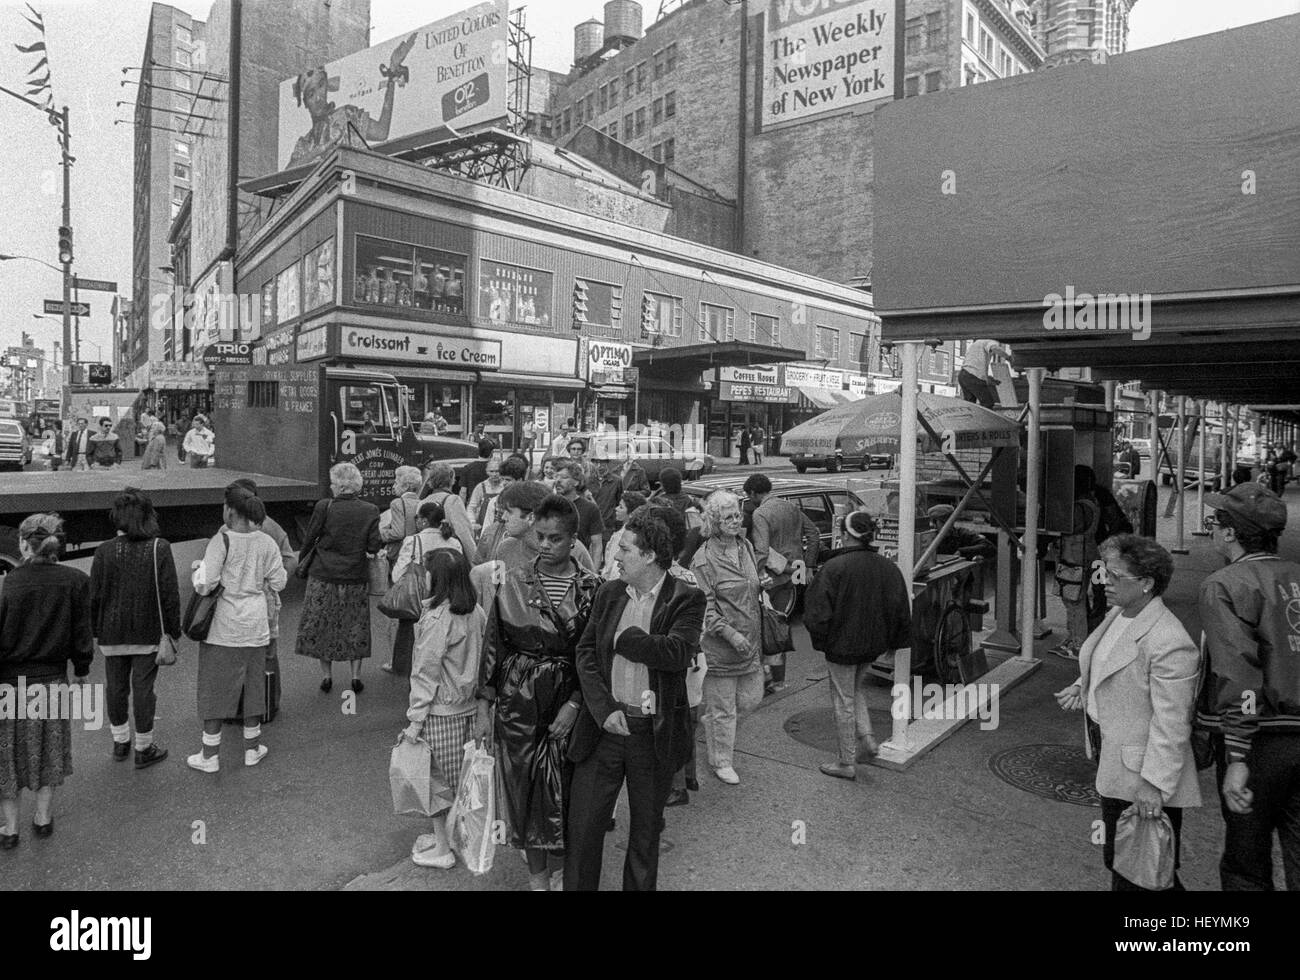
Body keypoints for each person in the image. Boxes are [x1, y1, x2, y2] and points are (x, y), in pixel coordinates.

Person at [565, 508, 705, 891]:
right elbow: (587, 653)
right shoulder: (609, 593)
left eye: (624, 550)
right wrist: (603, 709)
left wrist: (626, 640)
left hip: (652, 734)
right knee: (583, 830)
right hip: (605, 728)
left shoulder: (687, 599)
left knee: (645, 835)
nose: (616, 557)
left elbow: (677, 652)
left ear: (649, 556)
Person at [1055, 534, 1200, 890]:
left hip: (1142, 775)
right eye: (1105, 572)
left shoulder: (1169, 640)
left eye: (1116, 576)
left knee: (1140, 868)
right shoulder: (1121, 613)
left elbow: (1173, 722)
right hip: (1115, 761)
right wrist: (1082, 685)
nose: (1105, 581)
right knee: (1131, 863)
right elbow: (1105, 659)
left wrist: (1154, 784)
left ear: (1147, 583)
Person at [476, 494, 604, 891]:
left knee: (569, 794)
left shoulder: (594, 588)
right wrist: (484, 704)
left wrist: (576, 703)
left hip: (569, 693)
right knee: (525, 790)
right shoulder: (513, 581)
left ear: (573, 540)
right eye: (541, 536)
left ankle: (567, 874)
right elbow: (493, 644)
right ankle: (538, 882)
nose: (546, 545)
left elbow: (597, 654)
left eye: (555, 539)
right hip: (519, 701)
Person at [1196, 483, 1300, 890]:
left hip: (1260, 742)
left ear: (1230, 532)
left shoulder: (1224, 584)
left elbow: (1237, 671)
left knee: (1247, 863)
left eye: (1215, 523)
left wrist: (1237, 755)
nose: (1213, 531)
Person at [0, 514, 92, 847]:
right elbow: (83, 634)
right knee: (49, 750)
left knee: (7, 756)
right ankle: (42, 819)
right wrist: (82, 669)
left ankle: (10, 829)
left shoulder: (8, 583)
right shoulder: (76, 581)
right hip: (53, 681)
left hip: (10, 685)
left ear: (24, 544)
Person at [186, 486, 287, 773]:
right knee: (253, 687)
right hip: (255, 625)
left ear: (230, 510)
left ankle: (209, 755)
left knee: (215, 690)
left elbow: (204, 583)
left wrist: (198, 570)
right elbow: (279, 581)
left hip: (224, 627)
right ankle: (252, 750)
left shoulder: (221, 541)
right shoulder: (266, 542)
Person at [804, 511, 911, 779]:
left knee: (843, 700)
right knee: (854, 690)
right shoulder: (887, 567)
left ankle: (846, 762)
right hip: (872, 645)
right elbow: (900, 609)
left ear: (844, 535)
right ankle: (869, 740)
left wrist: (823, 642)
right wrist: (894, 642)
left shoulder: (834, 567)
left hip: (841, 646)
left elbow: (816, 614)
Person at [402, 550, 487, 870]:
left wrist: (414, 721)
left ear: (435, 579)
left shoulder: (438, 618)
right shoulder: (475, 611)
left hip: (440, 712)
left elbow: (425, 673)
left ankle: (442, 848)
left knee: (434, 782)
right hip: (468, 710)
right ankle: (453, 839)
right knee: (460, 781)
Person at [89, 490, 181, 769]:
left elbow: (94, 595)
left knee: (115, 688)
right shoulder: (159, 548)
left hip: (111, 633)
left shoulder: (104, 550)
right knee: (143, 690)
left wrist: (96, 630)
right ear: (148, 516)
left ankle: (120, 742)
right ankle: (144, 747)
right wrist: (173, 632)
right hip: (148, 632)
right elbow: (170, 594)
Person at [690, 490, 766, 789]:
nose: (736, 521)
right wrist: (731, 634)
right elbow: (704, 608)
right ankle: (721, 760)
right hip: (721, 647)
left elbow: (751, 584)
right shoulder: (704, 559)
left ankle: (709, 720)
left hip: (752, 642)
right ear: (713, 521)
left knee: (750, 698)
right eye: (728, 517)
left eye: (737, 515)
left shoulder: (744, 545)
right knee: (724, 709)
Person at [295, 462, 383, 694]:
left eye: (333, 483)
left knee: (323, 626)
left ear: (339, 485)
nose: (331, 487)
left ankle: (327, 677)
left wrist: (302, 563)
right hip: (355, 575)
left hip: (323, 574)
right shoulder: (370, 510)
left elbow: (309, 538)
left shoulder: (325, 506)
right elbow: (374, 546)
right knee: (356, 626)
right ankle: (355, 678)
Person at [286, 32, 417, 168]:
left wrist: (391, 75)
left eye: (320, 86)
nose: (318, 98)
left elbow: (381, 132)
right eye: (311, 94)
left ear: (327, 86)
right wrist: (319, 150)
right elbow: (285, 174)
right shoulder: (305, 143)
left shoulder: (346, 115)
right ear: (305, 102)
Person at [746, 473, 821, 690]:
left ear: (753, 492)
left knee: (767, 628)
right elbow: (814, 535)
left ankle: (769, 679)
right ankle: (778, 680)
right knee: (780, 626)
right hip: (792, 578)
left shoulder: (761, 513)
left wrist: (754, 576)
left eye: (749, 496)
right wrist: (808, 566)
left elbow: (761, 551)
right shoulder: (790, 507)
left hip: (771, 578)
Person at [382, 499, 462, 677]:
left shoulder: (413, 541)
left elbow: (397, 575)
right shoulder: (454, 542)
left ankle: (411, 677)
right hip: (447, 600)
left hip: (417, 603)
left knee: (412, 642)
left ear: (424, 521)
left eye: (417, 518)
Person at [471, 455, 528, 563]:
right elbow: (487, 530)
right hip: (497, 551)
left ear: (520, 480)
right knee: (498, 578)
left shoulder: (529, 502)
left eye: (508, 480)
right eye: (503, 479)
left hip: (522, 553)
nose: (504, 483)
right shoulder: (496, 502)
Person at [419, 462, 479, 557]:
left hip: (427, 554)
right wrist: (474, 560)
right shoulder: (453, 500)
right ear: (451, 479)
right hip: (448, 554)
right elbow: (464, 533)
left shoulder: (422, 502)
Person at [554, 460, 605, 569]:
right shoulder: (548, 506)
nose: (558, 480)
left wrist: (594, 574)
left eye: (564, 477)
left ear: (576, 482)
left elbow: (597, 545)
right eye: (556, 476)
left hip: (578, 568)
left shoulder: (590, 509)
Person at [379, 466, 423, 566]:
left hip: (399, 553)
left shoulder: (397, 503)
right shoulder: (421, 503)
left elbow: (398, 533)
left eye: (396, 483)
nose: (393, 486)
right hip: (416, 552)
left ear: (406, 486)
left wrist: (378, 533)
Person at [601, 491, 648, 581]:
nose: (616, 509)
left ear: (631, 514)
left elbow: (614, 567)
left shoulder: (625, 538)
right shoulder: (619, 533)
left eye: (621, 507)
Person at [925, 504, 995, 561]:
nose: (949, 526)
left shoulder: (960, 534)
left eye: (951, 522)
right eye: (944, 523)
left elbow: (989, 546)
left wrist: (962, 552)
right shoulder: (927, 538)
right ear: (934, 523)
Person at [957, 339, 1007, 408]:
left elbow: (977, 366)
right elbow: (994, 348)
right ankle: (986, 419)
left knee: (970, 405)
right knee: (988, 403)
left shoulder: (977, 343)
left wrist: (989, 380)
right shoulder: (991, 341)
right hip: (973, 377)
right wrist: (1009, 358)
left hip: (963, 375)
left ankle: (972, 418)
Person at [467, 453, 507, 536]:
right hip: (483, 527)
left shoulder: (505, 486)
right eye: (491, 471)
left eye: (497, 471)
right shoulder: (481, 487)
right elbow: (471, 507)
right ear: (487, 472)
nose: (494, 474)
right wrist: (472, 522)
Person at [589, 454, 624, 543]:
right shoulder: (588, 481)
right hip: (592, 523)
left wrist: (616, 522)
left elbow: (619, 502)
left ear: (607, 463)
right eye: (596, 463)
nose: (599, 466)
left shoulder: (617, 481)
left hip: (609, 525)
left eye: (602, 463)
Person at [457, 439, 497, 505]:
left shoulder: (468, 468)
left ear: (478, 450)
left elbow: (463, 492)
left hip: (473, 504)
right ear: (492, 452)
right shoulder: (496, 469)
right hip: (491, 504)